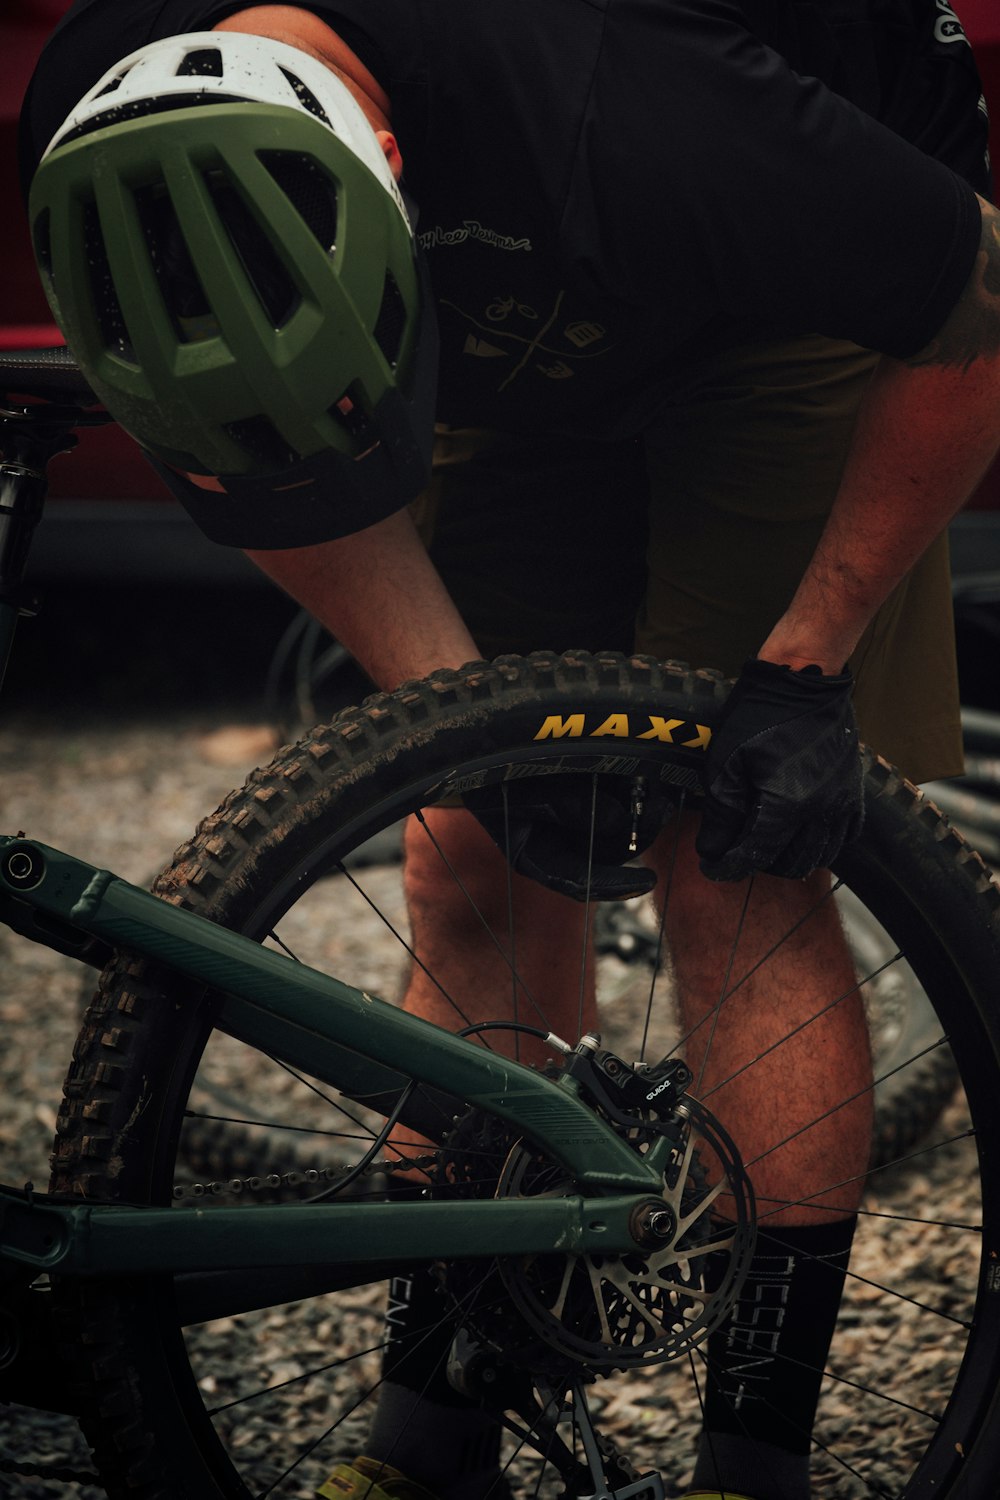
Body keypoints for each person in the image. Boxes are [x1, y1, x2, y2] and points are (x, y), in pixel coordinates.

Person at [18, 3, 999, 1499]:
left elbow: (975, 304)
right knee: (459, 846)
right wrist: (466, 737)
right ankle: (431, 1436)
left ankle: (752, 1462)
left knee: (731, 842)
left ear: (390, 159)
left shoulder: (647, 107)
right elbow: (252, 448)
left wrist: (805, 666)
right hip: (496, 311)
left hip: (784, 303)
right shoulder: (106, 133)